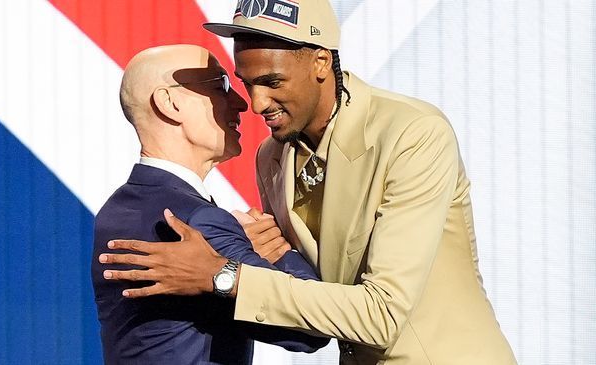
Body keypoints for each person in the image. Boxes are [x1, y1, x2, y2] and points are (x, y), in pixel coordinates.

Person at [99, 1, 518, 364]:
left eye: (272, 82)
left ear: (320, 62)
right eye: (245, 84)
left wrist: (227, 275)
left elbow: (382, 316)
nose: (255, 104)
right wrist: (267, 256)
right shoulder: (272, 156)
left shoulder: (412, 134)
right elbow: (304, 298)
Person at [92, 44, 328, 365]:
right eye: (220, 86)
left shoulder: (118, 208)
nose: (242, 104)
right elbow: (311, 328)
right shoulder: (196, 221)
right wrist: (282, 252)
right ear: (170, 103)